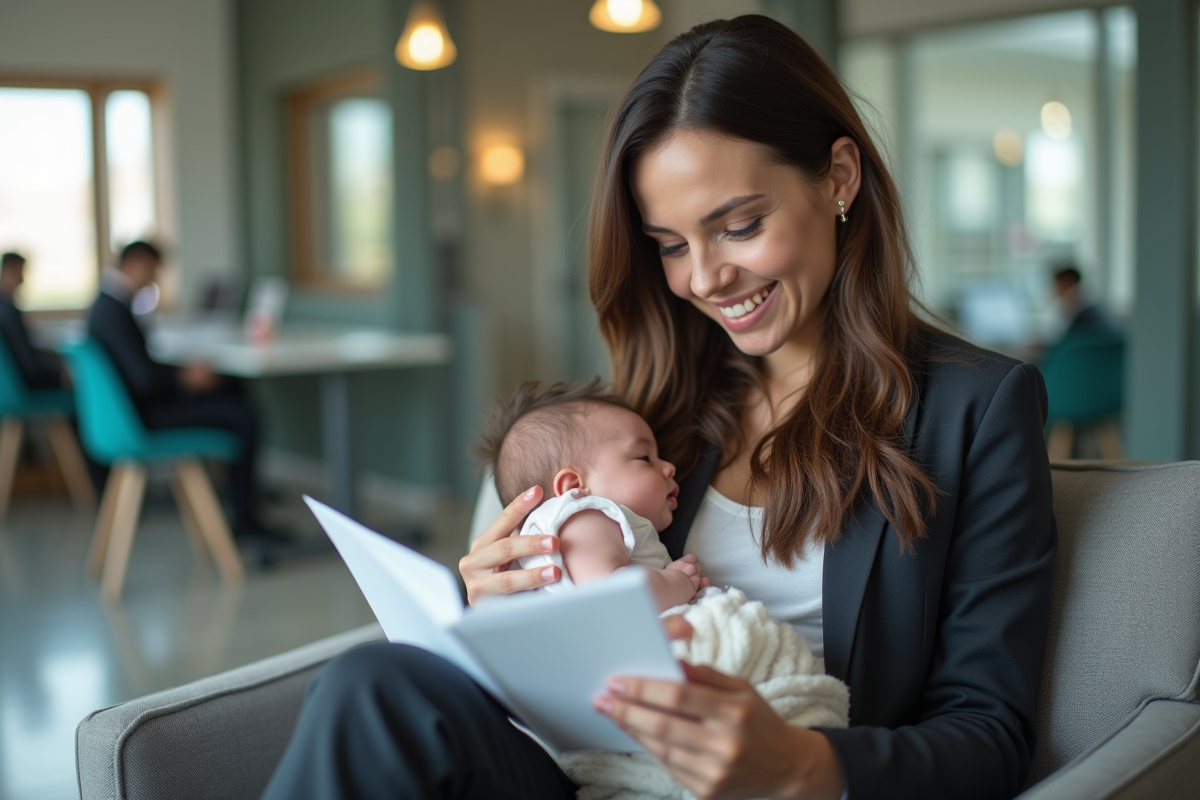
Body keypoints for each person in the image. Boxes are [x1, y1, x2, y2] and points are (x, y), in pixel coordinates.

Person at [261, 15, 1055, 800]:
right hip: (606, 773)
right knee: (376, 684)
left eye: (739, 226)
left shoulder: (974, 408)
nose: (704, 279)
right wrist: (502, 609)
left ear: (839, 177)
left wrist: (802, 767)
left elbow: (989, 729)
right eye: (671, 245)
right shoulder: (649, 412)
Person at [86, 241, 285, 544]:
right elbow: (143, 380)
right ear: (137, 262)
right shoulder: (114, 311)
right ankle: (245, 516)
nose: (154, 279)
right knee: (244, 414)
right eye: (153, 270)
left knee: (232, 386)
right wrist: (184, 379)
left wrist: (183, 376)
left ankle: (240, 493)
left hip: (127, 414)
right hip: (143, 418)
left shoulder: (106, 305)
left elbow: (138, 370)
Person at [475, 379, 707, 611]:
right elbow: (612, 595)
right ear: (574, 487)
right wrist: (676, 583)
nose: (669, 467)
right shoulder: (583, 517)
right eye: (644, 458)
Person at [0, 252, 68, 389]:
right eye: (20, 272)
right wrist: (60, 376)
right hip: (23, 386)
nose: (23, 280)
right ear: (9, 270)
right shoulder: (9, 313)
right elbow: (29, 365)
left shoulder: (5, 308)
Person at [1051, 262, 1114, 335]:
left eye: (1057, 284)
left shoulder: (1076, 304)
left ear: (1067, 282)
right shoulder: (1088, 299)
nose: (1055, 289)